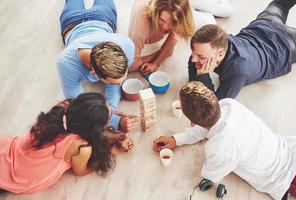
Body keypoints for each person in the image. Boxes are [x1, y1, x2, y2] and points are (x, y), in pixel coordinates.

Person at [153, 82, 296, 200]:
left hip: (286, 177)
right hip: (293, 150)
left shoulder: (220, 147)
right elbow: (205, 127)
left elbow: (211, 174)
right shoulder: (229, 104)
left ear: (191, 122)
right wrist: (176, 139)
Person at [0, 93, 134, 194]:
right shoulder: (80, 146)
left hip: (12, 149)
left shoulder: (62, 108)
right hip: (21, 175)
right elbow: (81, 171)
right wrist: (113, 150)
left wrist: (109, 113)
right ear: (94, 128)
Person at [188, 0, 296, 99]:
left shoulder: (236, 71)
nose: (193, 59)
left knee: (280, 4)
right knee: (279, 4)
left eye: (201, 57)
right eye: (194, 54)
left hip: (284, 44)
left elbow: (215, 107)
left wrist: (202, 76)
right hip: (265, 23)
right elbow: (193, 67)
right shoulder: (217, 42)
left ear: (220, 54)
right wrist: (198, 74)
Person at [57, 0, 139, 132]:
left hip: (102, 17)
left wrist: (111, 110)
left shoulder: (127, 46)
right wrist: (114, 121)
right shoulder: (66, 63)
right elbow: (82, 106)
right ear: (94, 73)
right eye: (114, 82)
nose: (120, 83)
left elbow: (113, 83)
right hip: (72, 22)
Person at [128, 0, 215, 74]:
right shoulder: (142, 17)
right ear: (156, 12)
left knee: (218, 17)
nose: (166, 27)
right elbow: (130, 65)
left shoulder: (178, 14)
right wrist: (160, 52)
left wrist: (156, 63)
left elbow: (171, 45)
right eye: (162, 20)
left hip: (189, 12)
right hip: (147, 12)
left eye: (173, 23)